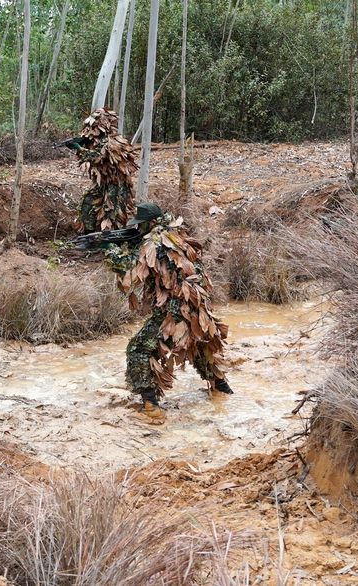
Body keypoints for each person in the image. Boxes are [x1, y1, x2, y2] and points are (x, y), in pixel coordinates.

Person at [104, 203, 234, 421]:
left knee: (138, 350)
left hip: (175, 309)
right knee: (200, 347)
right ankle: (222, 391)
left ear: (151, 223)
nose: (138, 229)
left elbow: (128, 266)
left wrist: (109, 248)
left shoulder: (154, 242)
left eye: (140, 225)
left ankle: (150, 407)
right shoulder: (177, 236)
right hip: (197, 306)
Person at [66, 108, 138, 233]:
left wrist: (80, 149)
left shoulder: (112, 140)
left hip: (116, 183)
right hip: (104, 181)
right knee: (87, 202)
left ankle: (110, 240)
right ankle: (89, 234)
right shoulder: (97, 141)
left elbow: (98, 157)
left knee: (112, 212)